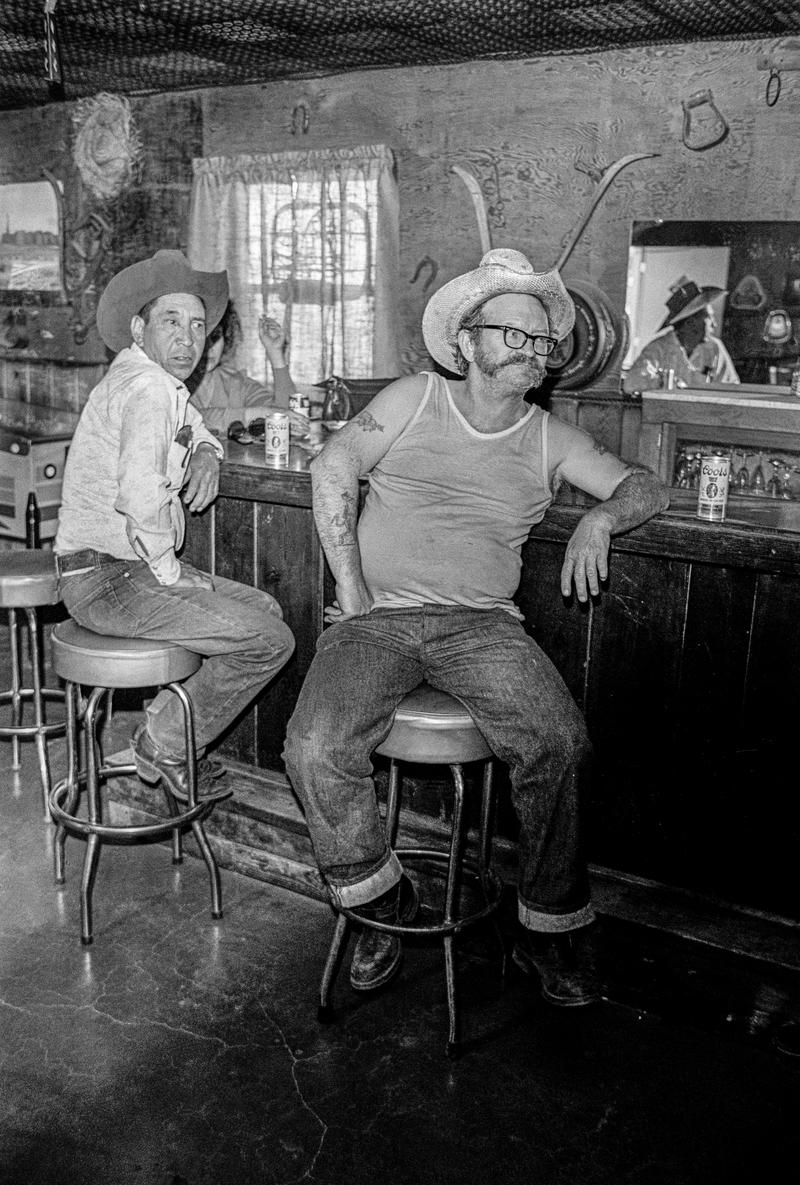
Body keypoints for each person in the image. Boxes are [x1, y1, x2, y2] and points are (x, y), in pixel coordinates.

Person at [283, 247, 668, 1008]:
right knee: (314, 745)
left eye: (542, 339)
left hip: (481, 627)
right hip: (380, 619)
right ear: (466, 340)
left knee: (558, 740)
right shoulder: (414, 397)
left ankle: (549, 928)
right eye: (514, 332)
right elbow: (333, 466)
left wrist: (601, 516)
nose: (533, 349)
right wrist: (354, 589)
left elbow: (645, 484)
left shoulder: (550, 437)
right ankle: (379, 903)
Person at [54, 249, 295, 801]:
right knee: (269, 640)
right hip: (108, 577)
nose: (188, 338)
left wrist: (208, 454)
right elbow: (139, 496)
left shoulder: (154, 382)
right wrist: (169, 573)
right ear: (139, 328)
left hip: (116, 571)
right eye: (171, 321)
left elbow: (197, 428)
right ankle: (163, 743)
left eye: (197, 325)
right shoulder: (149, 389)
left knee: (264, 611)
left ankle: (162, 734)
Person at [188, 301, 307, 438]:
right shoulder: (172, 382)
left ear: (226, 338)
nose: (209, 347)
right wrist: (256, 414)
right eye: (202, 337)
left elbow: (286, 415)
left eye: (215, 337)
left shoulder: (235, 382)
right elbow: (193, 419)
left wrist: (276, 355)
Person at [623, 275, 739, 391]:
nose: (714, 324)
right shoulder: (659, 349)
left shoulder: (714, 348)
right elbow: (631, 384)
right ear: (690, 322)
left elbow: (732, 388)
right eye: (709, 318)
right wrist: (664, 382)